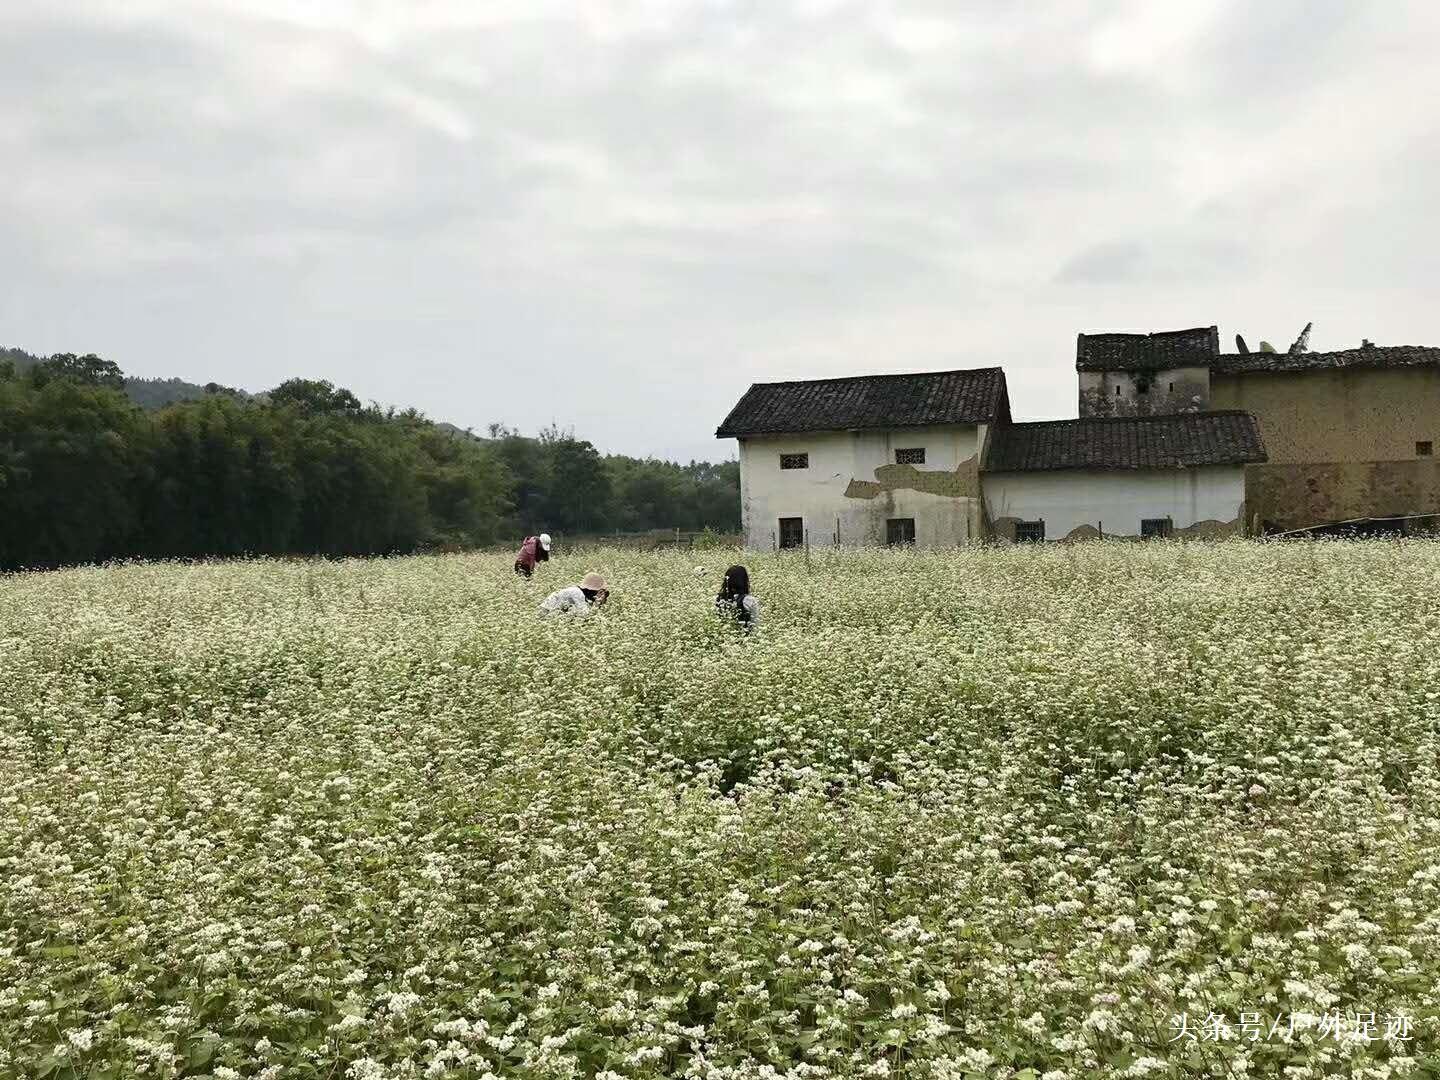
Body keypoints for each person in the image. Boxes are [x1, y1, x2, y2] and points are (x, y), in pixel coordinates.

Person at [540, 572, 609, 616]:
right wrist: (596, 605)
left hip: (549, 615)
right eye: (603, 594)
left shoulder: (576, 591)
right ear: (600, 592)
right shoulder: (577, 593)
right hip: (545, 616)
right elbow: (584, 615)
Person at [715, 565, 760, 629]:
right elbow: (756, 624)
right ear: (744, 580)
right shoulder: (750, 600)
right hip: (744, 636)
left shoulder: (717, 599)